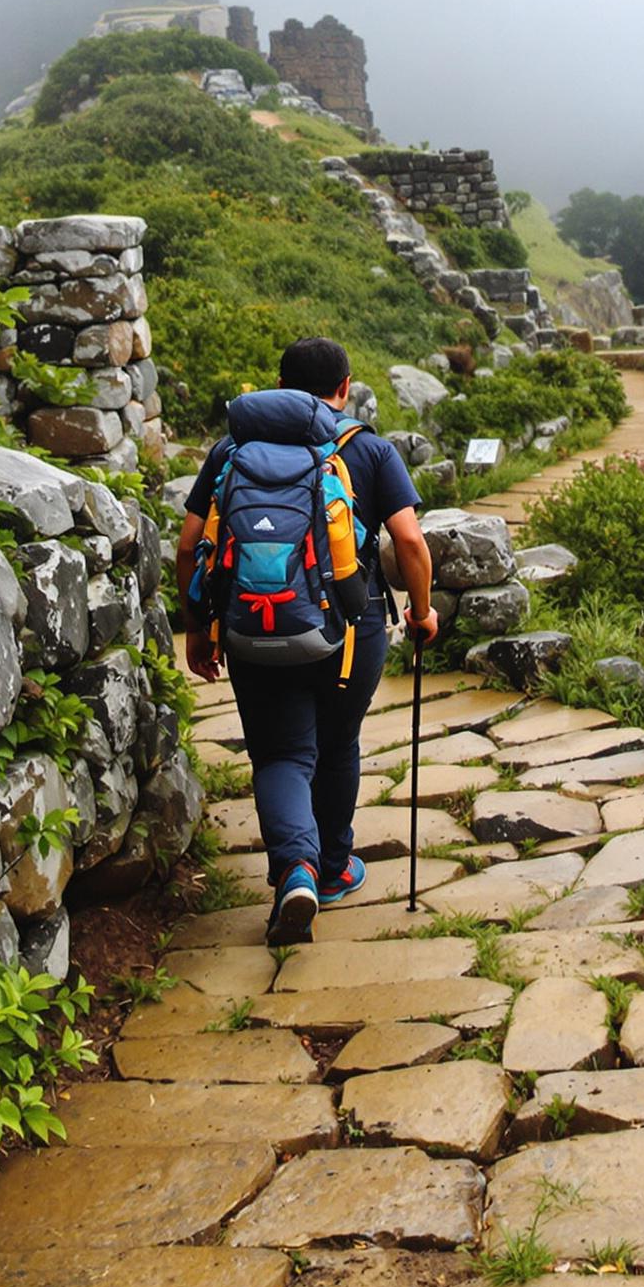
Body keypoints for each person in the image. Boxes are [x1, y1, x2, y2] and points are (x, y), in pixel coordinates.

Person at [176, 337, 438, 944]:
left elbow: (190, 545)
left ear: (282, 385)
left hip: (255, 625)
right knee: (339, 740)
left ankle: (293, 867)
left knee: (280, 753)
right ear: (345, 387)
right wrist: (422, 614)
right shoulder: (369, 448)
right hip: (350, 629)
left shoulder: (232, 450)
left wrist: (198, 627)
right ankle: (332, 866)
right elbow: (411, 542)